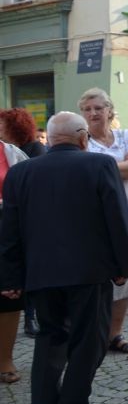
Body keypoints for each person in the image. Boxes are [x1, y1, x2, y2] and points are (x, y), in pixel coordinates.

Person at [0, 112, 128, 404]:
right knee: (90, 341)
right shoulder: (99, 165)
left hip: (41, 272)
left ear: (51, 138)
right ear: (84, 137)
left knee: (50, 335)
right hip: (89, 270)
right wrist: (122, 267)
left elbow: (10, 230)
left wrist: (11, 277)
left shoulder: (20, 172)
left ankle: (44, 401)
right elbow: (116, 218)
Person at [79, 88, 128, 357]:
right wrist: (120, 166)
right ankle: (93, 333)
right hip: (95, 218)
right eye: (87, 109)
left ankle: (114, 334)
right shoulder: (81, 141)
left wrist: (102, 168)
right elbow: (84, 175)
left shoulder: (125, 135)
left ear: (109, 110)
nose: (93, 113)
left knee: (126, 276)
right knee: (98, 276)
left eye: (98, 107)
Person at [0, 108, 45, 337]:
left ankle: (29, 318)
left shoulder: (14, 152)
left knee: (12, 283)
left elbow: (34, 187)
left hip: (8, 223)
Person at [0, 138, 29, 381]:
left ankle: (5, 360)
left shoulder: (10, 152)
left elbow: (29, 185)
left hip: (6, 229)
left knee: (8, 297)